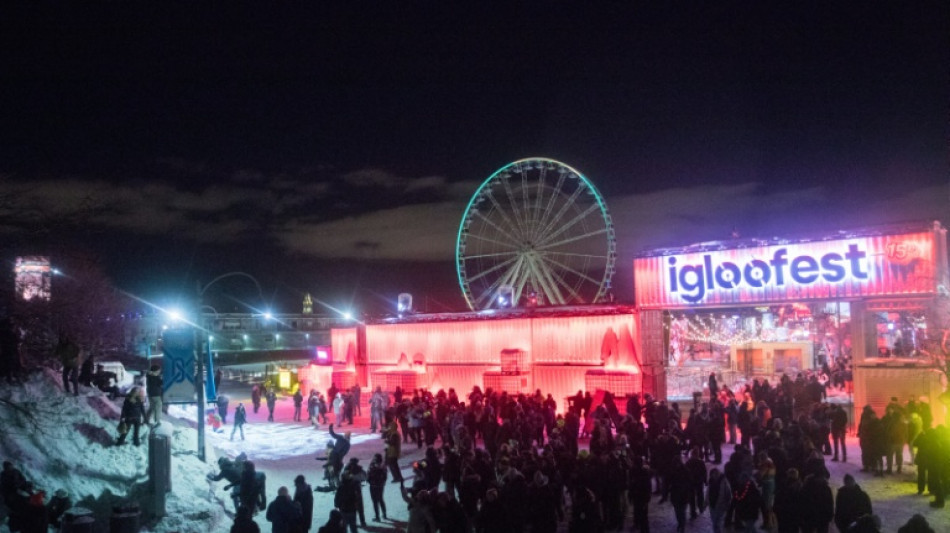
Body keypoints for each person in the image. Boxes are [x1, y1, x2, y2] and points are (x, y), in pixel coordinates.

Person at [706, 468, 731, 533]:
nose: (714, 476)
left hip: (721, 506)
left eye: (716, 474)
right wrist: (706, 502)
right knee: (714, 522)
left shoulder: (724, 482)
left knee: (718, 523)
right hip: (712, 505)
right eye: (713, 474)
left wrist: (727, 504)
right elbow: (708, 493)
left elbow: (728, 494)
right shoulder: (711, 481)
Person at [367, 454, 388, 521]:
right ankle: (384, 514)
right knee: (381, 499)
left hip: (373, 485)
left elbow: (368, 474)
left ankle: (377, 516)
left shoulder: (372, 465)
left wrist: (369, 481)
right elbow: (385, 476)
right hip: (380, 485)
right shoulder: (383, 466)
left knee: (375, 501)